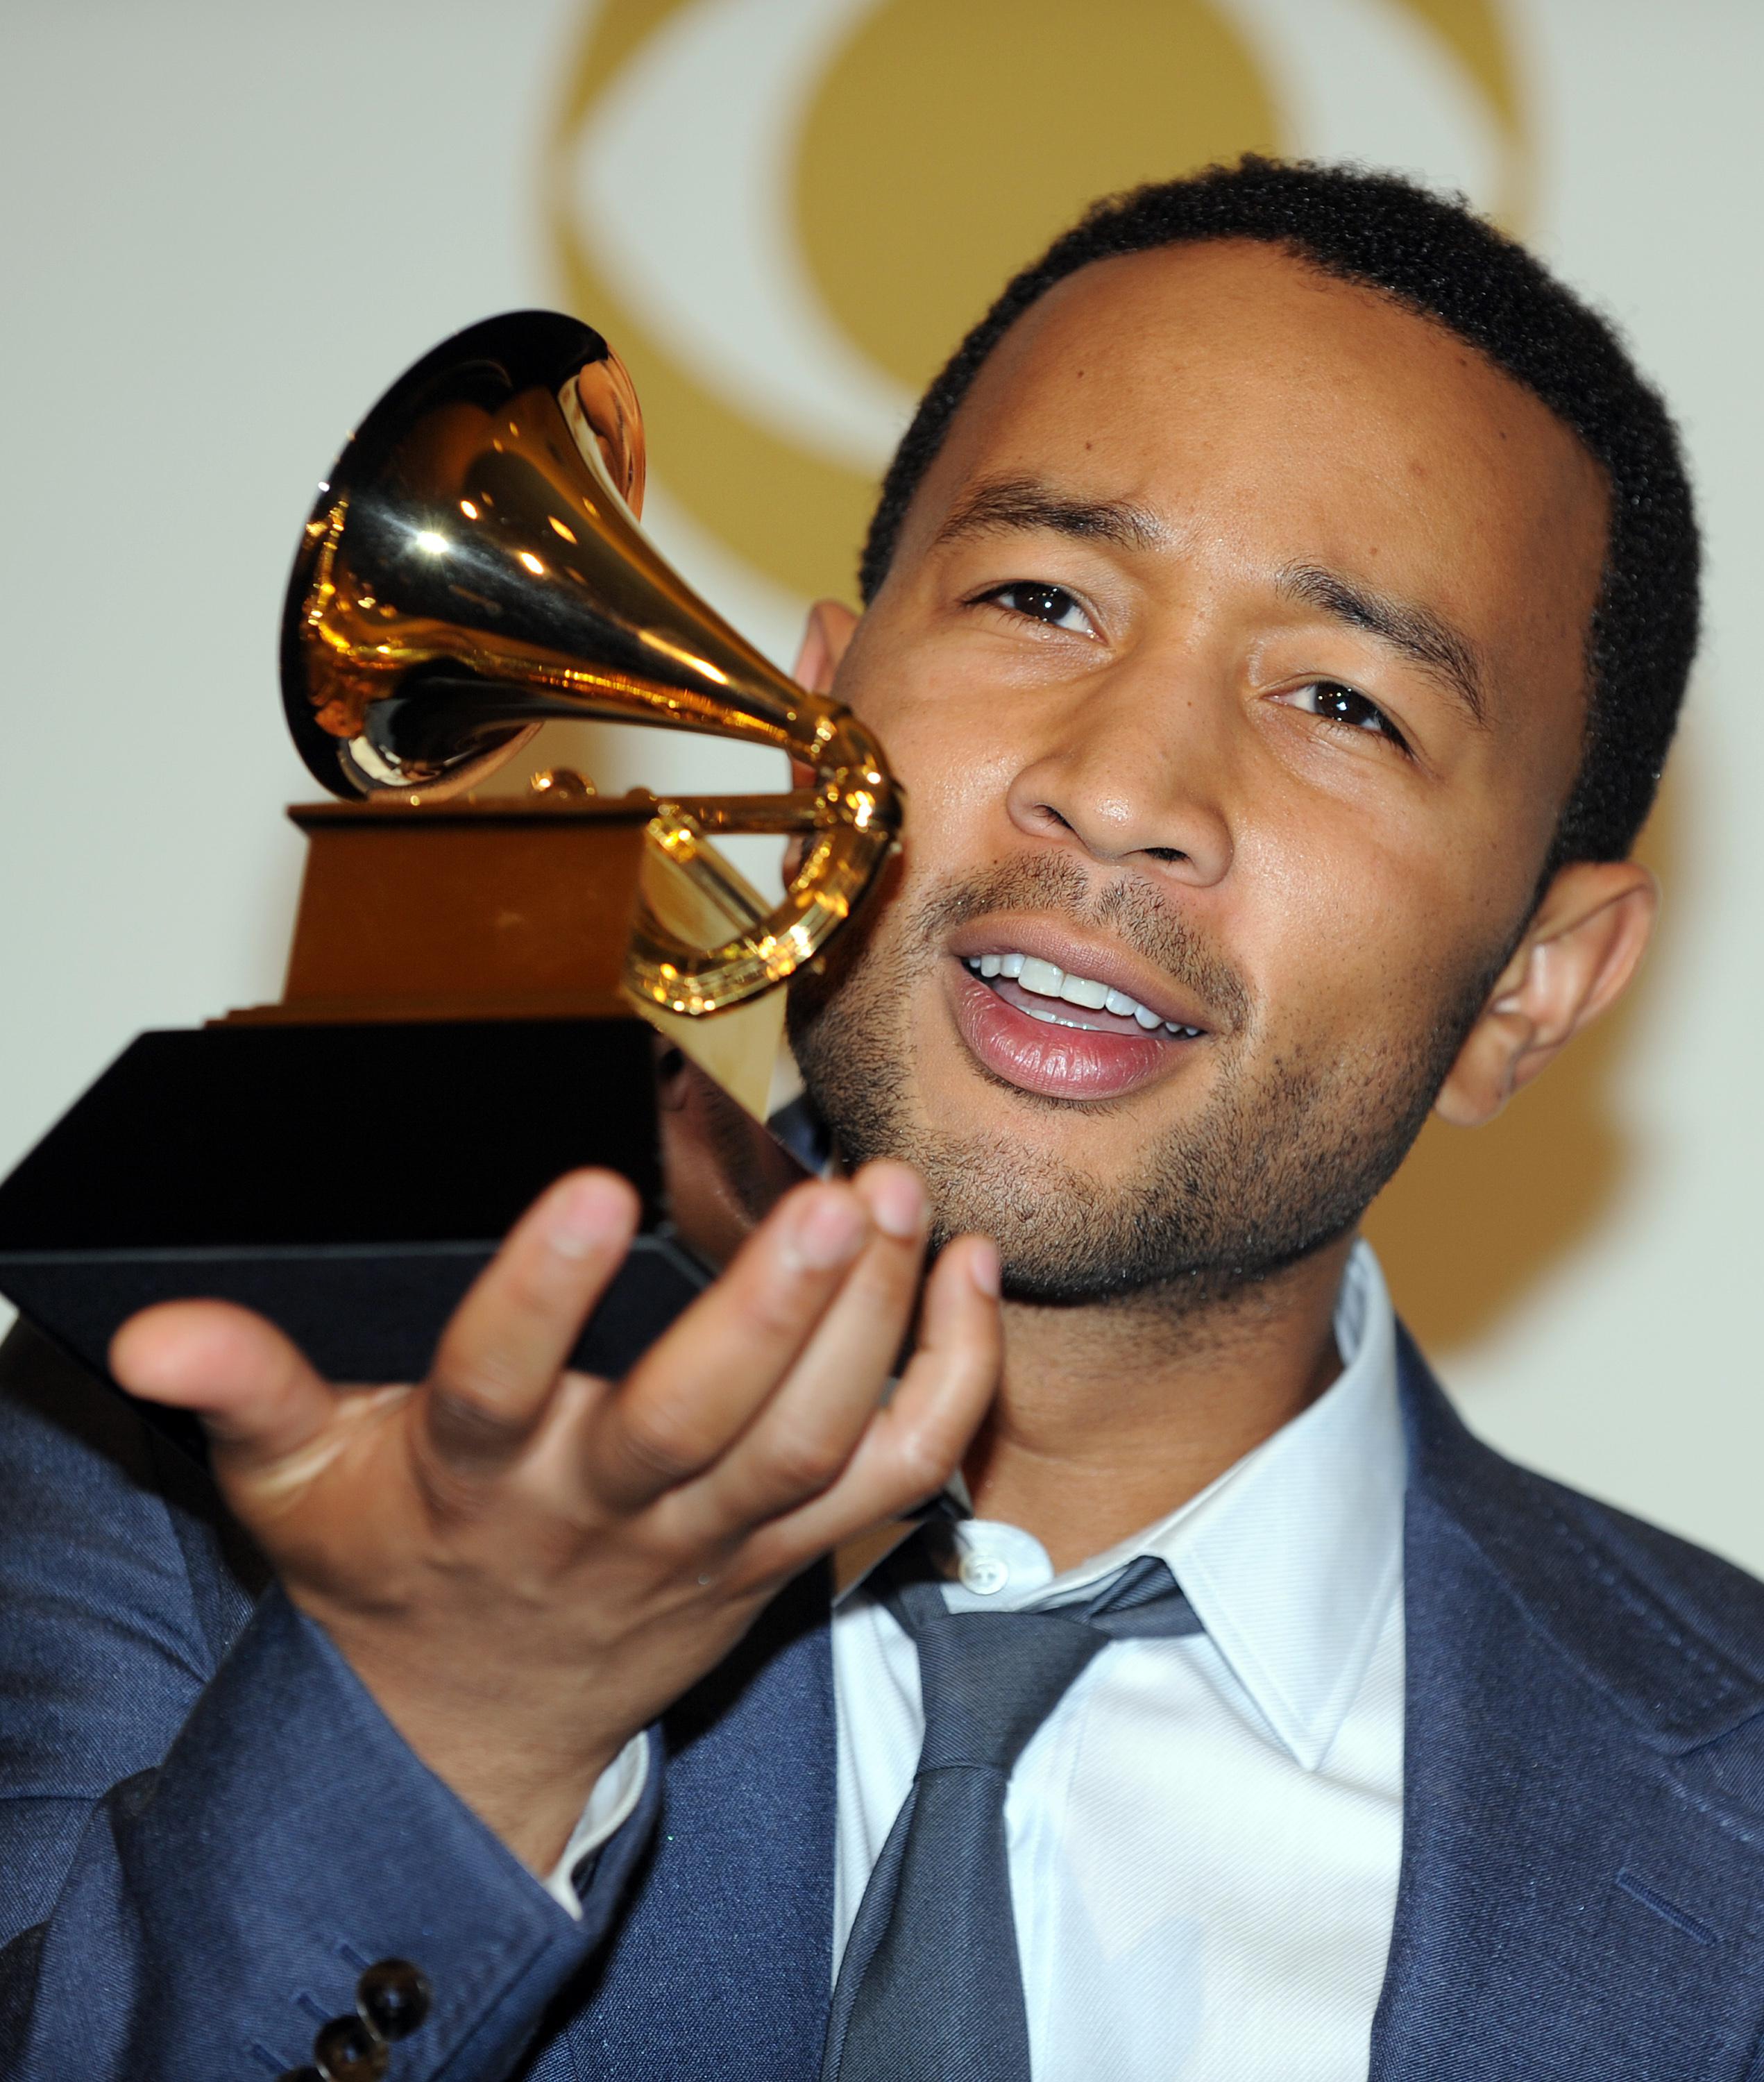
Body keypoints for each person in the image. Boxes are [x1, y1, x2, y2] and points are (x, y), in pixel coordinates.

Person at [1, 156, 1756, 2082]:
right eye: (1040, 597)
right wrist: (452, 1726)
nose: (1120, 787)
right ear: (815, 699)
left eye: (1345, 704)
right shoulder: (162, 1483)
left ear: (1537, 982)